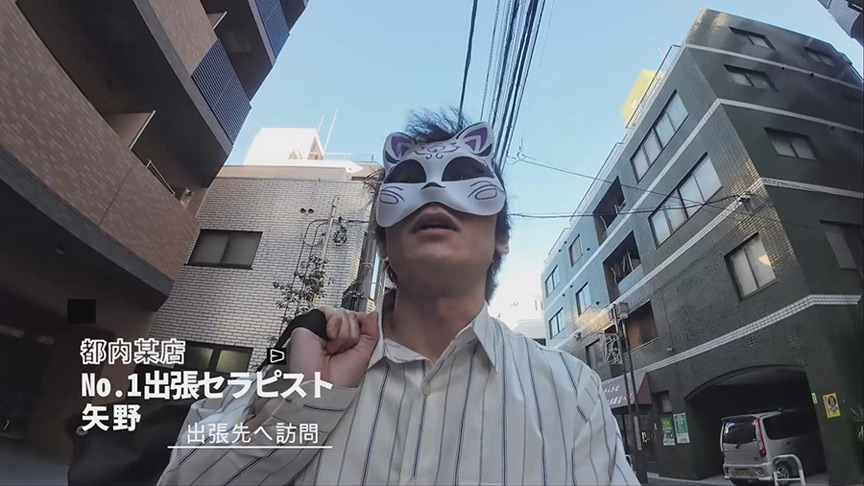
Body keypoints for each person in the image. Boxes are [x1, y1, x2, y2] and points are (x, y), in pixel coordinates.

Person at [158, 111, 638, 485]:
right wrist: (302, 402)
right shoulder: (273, 385)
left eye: (462, 176)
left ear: (502, 239)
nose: (433, 190)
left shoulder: (572, 393)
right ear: (384, 243)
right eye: (407, 180)